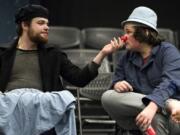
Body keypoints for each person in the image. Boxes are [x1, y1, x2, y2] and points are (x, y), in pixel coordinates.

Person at [0, 4, 120, 135]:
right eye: (41, 23)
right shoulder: (4, 54)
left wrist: (102, 53)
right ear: (25, 25)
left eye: (47, 24)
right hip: (9, 109)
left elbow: (79, 79)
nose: (47, 27)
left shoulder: (53, 55)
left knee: (64, 98)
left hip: (42, 109)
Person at [101, 6, 180, 135]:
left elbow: (171, 82)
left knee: (154, 118)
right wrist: (117, 84)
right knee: (107, 97)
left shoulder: (168, 51)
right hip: (143, 115)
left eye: (128, 32)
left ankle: (160, 107)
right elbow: (116, 80)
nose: (123, 38)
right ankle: (168, 104)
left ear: (145, 32)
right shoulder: (125, 57)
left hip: (174, 119)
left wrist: (153, 106)